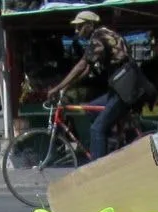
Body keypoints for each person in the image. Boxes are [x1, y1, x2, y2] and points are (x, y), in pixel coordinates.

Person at [46, 10, 132, 162]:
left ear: (90, 25)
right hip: (120, 87)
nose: (76, 31)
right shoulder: (102, 35)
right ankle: (109, 144)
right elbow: (87, 69)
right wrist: (68, 86)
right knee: (91, 110)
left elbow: (82, 65)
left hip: (124, 89)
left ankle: (98, 170)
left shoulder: (98, 38)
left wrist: (58, 87)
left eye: (80, 27)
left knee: (96, 129)